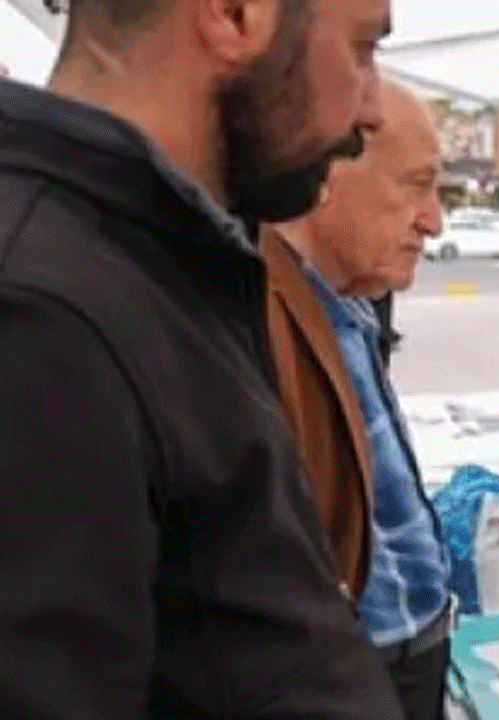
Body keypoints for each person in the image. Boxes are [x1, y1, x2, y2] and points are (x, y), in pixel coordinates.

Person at [0, 0, 404, 717]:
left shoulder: (158, 253)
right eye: (364, 50)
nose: (371, 110)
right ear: (234, 13)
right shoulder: (39, 312)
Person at [264, 79, 454, 720]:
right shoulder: (264, 320)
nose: (434, 220)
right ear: (328, 177)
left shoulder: (338, 305)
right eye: (418, 185)